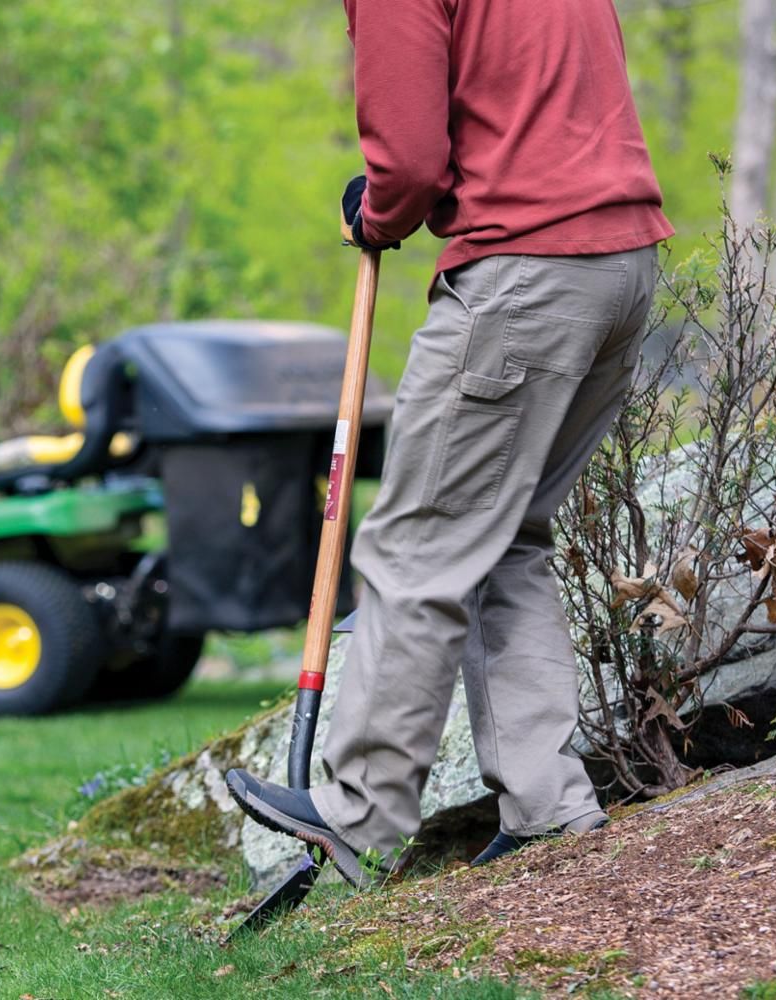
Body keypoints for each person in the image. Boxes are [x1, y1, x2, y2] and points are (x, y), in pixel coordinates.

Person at [227, 0, 674, 886]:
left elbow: (411, 160)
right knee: (505, 538)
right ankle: (548, 808)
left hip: (524, 274)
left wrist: (381, 211)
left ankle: (359, 815)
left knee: (415, 548)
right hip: (620, 264)